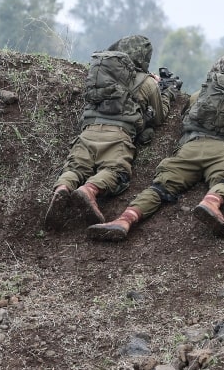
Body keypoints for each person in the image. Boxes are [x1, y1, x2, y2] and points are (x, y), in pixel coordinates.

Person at [88, 51, 224, 241]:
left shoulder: (200, 95)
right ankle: (211, 203)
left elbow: (186, 118)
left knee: (159, 188)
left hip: (189, 149)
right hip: (222, 151)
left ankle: (125, 220)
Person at [43, 35, 179, 230]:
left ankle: (63, 188)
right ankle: (89, 190)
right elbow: (158, 117)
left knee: (75, 168)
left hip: (88, 132)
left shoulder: (99, 76)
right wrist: (166, 92)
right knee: (115, 172)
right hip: (118, 135)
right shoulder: (147, 82)